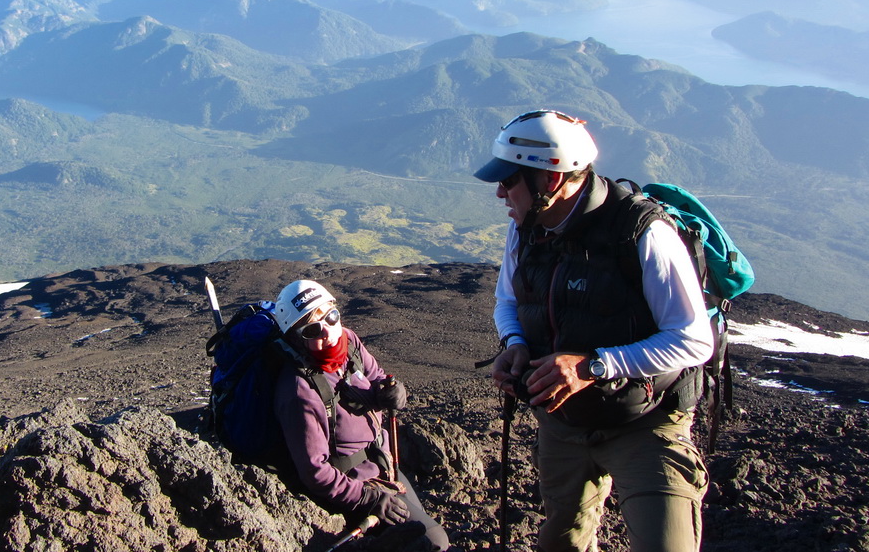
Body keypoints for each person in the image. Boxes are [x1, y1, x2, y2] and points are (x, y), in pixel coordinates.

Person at [473, 109, 714, 552]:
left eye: (509, 181)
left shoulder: (642, 232)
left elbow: (694, 339)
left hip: (646, 423)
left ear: (550, 180)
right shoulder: (525, 229)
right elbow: (508, 301)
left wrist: (594, 366)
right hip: (564, 424)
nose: (500, 194)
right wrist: (516, 344)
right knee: (561, 542)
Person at [271, 279, 450, 551]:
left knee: (428, 535)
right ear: (296, 338)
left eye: (332, 317)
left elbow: (377, 377)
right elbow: (315, 471)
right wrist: (368, 499)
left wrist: (390, 391)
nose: (329, 332)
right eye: (313, 330)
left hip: (384, 467)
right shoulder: (300, 391)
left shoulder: (349, 343)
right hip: (355, 488)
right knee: (433, 542)